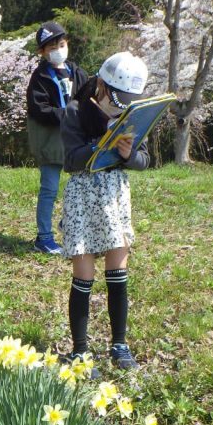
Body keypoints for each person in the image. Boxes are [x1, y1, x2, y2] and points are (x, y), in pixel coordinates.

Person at [59, 51, 151, 371]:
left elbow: (144, 160)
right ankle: (80, 350)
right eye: (117, 97)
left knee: (118, 271)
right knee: (83, 273)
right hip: (83, 197)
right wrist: (102, 144)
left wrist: (127, 154)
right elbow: (70, 160)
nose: (121, 105)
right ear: (100, 84)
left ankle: (119, 345)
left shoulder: (131, 118)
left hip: (115, 197)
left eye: (128, 100)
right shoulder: (74, 112)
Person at [26, 21, 87, 255]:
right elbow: (38, 109)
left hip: (74, 141)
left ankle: (67, 224)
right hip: (51, 142)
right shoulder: (40, 76)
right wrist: (67, 114)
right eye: (51, 48)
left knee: (79, 187)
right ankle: (44, 237)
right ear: (42, 52)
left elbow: (88, 98)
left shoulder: (76, 71)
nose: (58, 50)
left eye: (61, 44)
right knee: (49, 189)